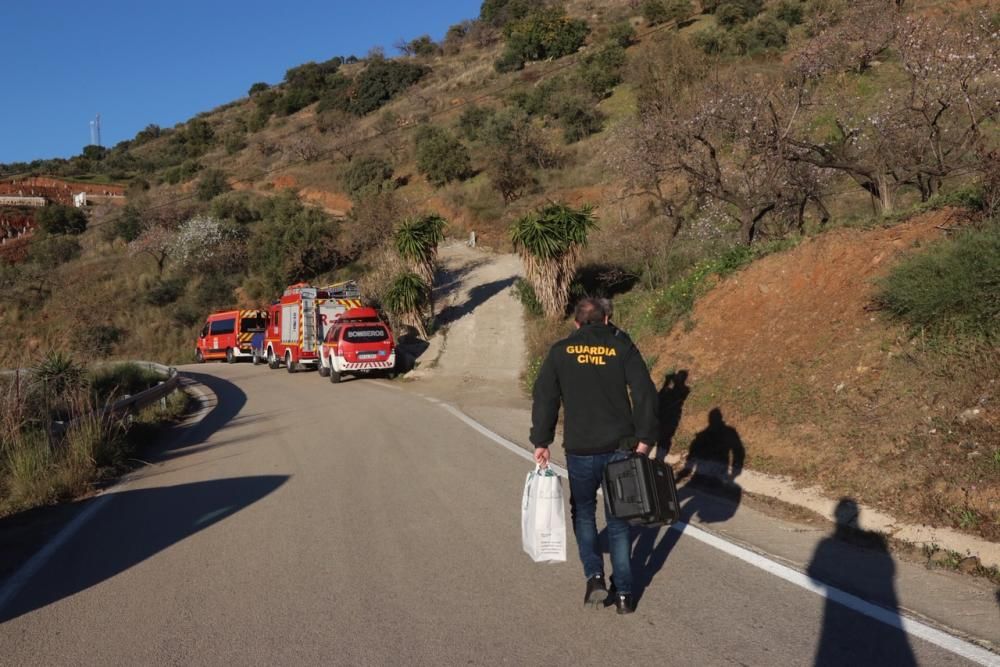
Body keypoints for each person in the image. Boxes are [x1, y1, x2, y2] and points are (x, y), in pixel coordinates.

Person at [530, 297, 659, 614]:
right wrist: (645, 439)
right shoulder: (621, 347)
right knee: (618, 521)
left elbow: (545, 397)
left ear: (576, 323)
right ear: (605, 320)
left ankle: (595, 575)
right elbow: (645, 392)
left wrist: (542, 440)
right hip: (619, 447)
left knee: (584, 512)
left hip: (580, 449)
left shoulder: (561, 351)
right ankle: (626, 595)